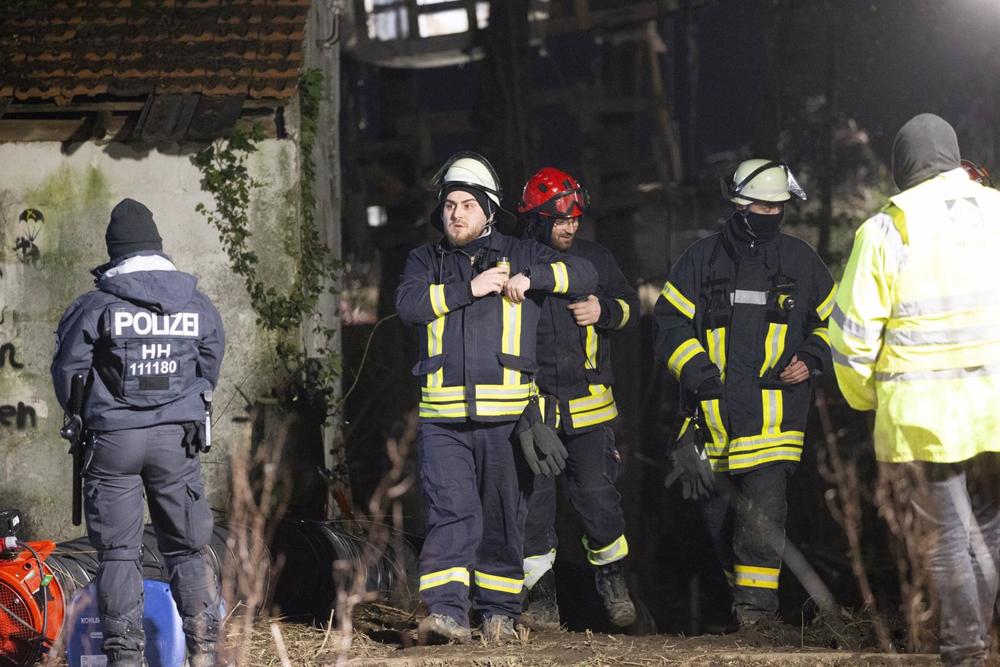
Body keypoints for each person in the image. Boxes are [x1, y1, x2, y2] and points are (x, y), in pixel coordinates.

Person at [395, 153, 598, 643]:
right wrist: (469, 288)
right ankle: (445, 613)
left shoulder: (521, 253)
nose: (456, 214)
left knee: (505, 520)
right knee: (450, 513)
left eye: (467, 204)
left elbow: (585, 275)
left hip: (508, 420)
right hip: (443, 421)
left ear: (488, 209)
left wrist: (536, 279)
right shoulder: (426, 260)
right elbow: (408, 305)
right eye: (449, 205)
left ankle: (499, 614)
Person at [830, 113, 1000, 667]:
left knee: (950, 535)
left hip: (926, 417)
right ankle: (977, 643)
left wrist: (865, 398)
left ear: (902, 165)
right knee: (991, 528)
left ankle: (965, 650)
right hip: (995, 409)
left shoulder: (889, 228)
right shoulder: (998, 212)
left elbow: (851, 340)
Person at [653, 159, 834, 627]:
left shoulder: (800, 260)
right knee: (717, 525)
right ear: (738, 205)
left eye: (777, 207)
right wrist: (699, 374)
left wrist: (813, 356)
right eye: (760, 205)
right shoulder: (700, 260)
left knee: (762, 518)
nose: (769, 214)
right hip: (711, 423)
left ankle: (757, 619)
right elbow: (669, 324)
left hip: (774, 421)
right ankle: (732, 610)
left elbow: (835, 322)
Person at [51, 199, 224, 667]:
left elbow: (70, 372)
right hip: (177, 442)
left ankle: (125, 658)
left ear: (115, 252)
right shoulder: (196, 303)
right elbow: (209, 365)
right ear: (157, 246)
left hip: (113, 443)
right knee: (187, 548)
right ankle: (205, 650)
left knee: (119, 555)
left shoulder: (96, 306)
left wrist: (85, 415)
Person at [516, 167, 639, 629]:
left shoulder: (596, 258)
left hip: (590, 409)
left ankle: (613, 583)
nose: (571, 227)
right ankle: (542, 601)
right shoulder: (515, 259)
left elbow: (632, 306)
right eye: (561, 220)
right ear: (536, 219)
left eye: (575, 220)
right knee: (534, 510)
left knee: (598, 498)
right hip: (536, 412)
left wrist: (604, 310)